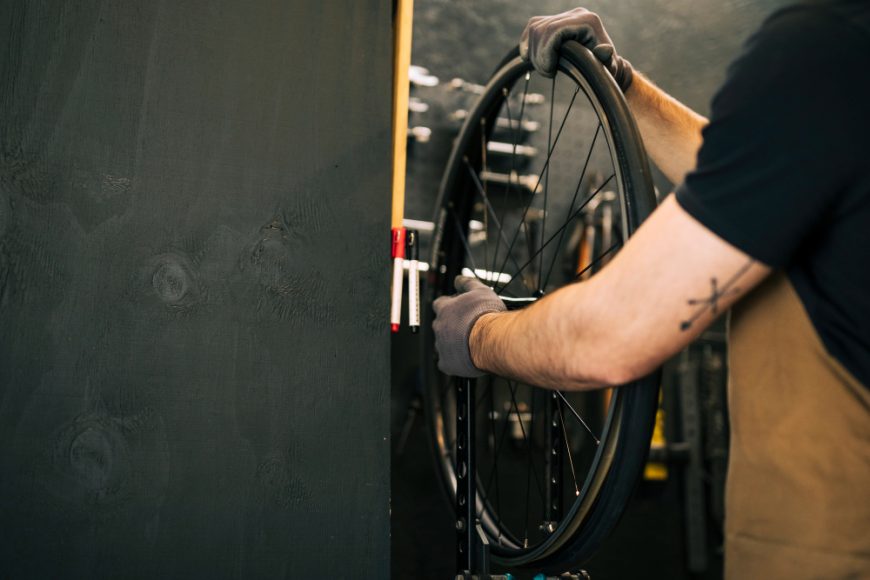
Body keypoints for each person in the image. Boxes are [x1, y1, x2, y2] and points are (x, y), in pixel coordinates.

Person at [431, 3, 870, 578]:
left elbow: (611, 336)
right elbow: (767, 183)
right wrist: (626, 87)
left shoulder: (826, 47)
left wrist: (479, 334)